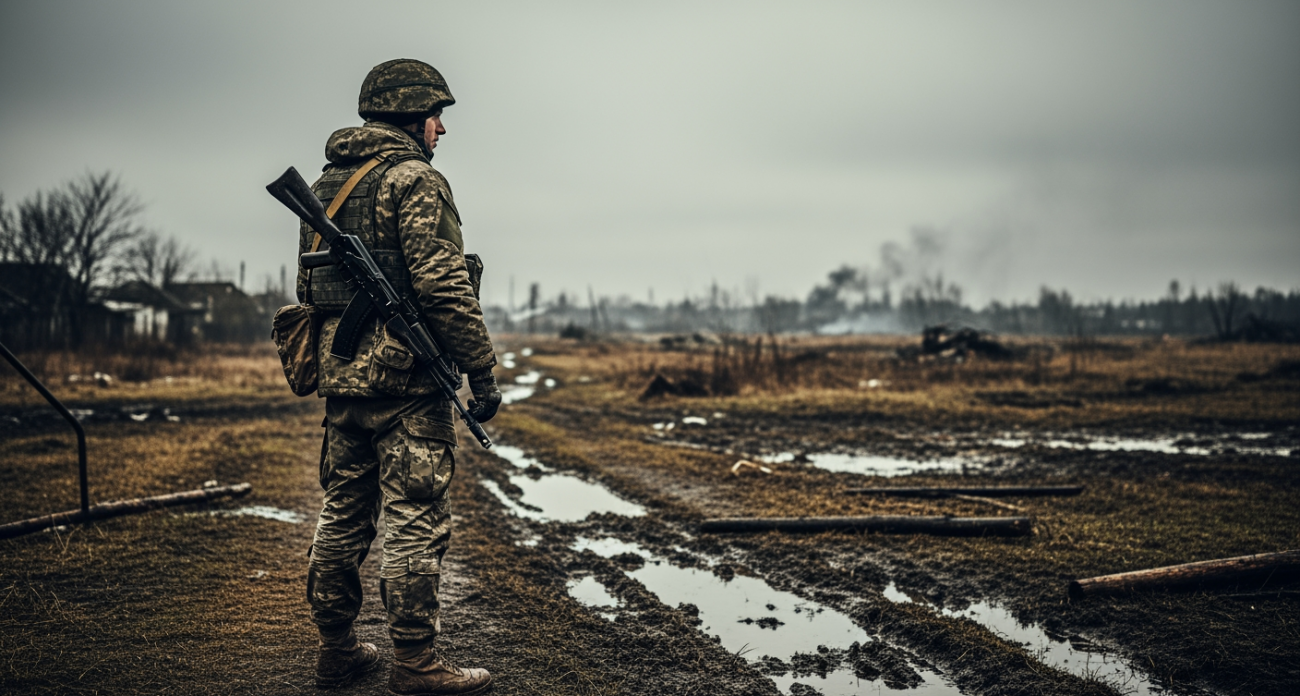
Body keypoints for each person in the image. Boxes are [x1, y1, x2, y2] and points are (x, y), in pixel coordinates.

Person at [296, 58, 500, 695]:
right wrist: (481, 371)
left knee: (343, 513)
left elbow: (311, 284)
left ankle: (337, 651)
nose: (442, 129)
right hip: (407, 383)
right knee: (414, 514)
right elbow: (443, 286)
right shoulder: (414, 180)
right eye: (437, 115)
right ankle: (416, 664)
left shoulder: (332, 183)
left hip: (342, 376)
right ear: (413, 116)